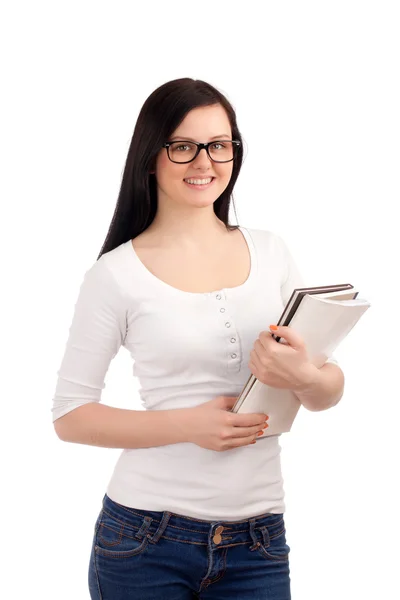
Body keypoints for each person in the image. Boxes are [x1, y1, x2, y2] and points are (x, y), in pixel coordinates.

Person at [51, 77, 344, 600]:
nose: (205, 162)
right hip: (144, 540)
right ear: (150, 156)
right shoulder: (115, 275)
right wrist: (189, 425)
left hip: (260, 542)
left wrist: (305, 377)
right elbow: (71, 417)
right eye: (183, 146)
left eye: (220, 145)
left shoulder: (272, 252)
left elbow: (327, 389)